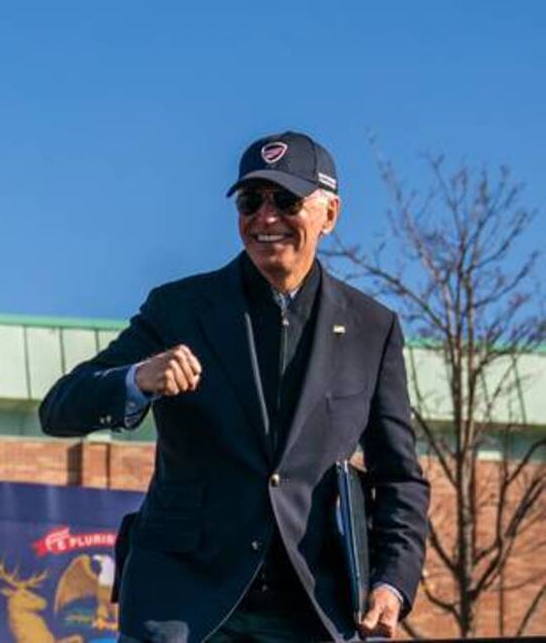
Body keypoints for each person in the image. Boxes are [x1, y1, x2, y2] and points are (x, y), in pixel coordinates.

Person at [39, 132, 429, 642]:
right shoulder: (177, 309)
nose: (266, 218)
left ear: (329, 214)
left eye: (286, 201)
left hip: (312, 609)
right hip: (182, 605)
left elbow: (399, 477)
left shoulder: (373, 329)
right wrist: (138, 380)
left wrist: (391, 583)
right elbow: (60, 408)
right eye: (251, 202)